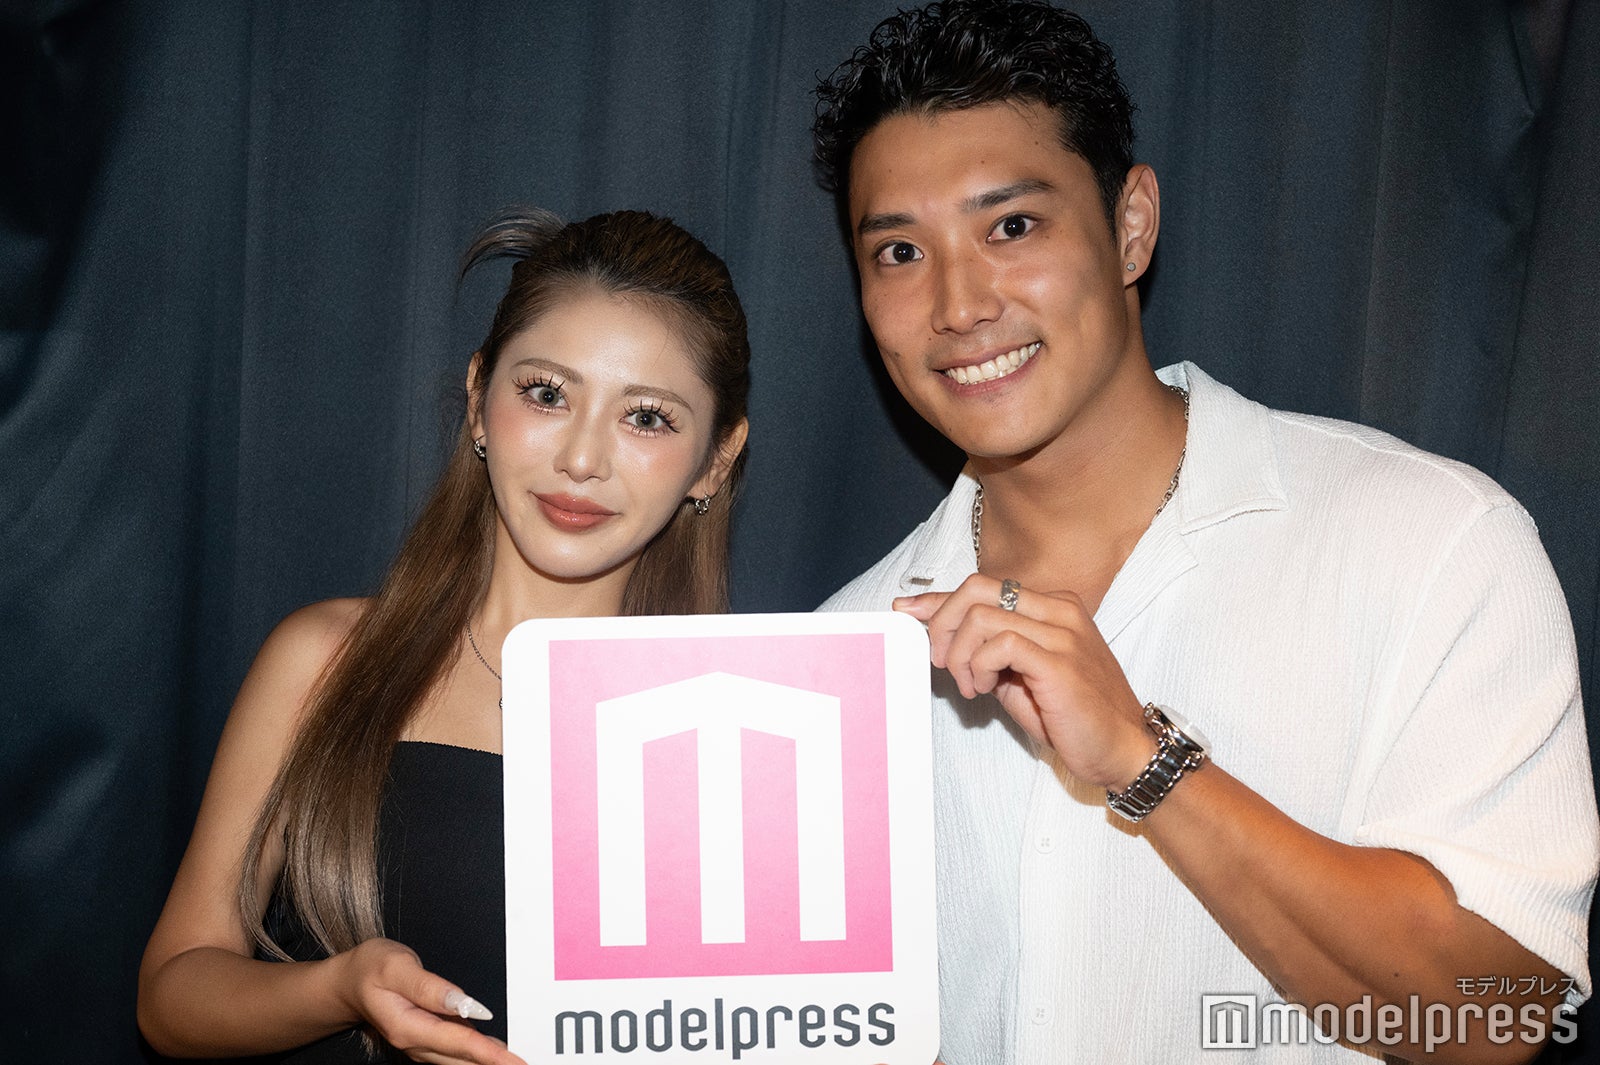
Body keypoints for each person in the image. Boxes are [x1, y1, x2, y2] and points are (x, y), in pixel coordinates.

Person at [813, 3, 1597, 1062]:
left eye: (1011, 227)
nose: (957, 305)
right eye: (901, 251)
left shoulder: (1430, 541)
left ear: (1130, 226)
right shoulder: (847, 655)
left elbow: (1497, 1019)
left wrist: (1144, 759)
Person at [137, 208, 751, 1064]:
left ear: (716, 458)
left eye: (646, 417)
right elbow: (172, 995)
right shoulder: (325, 660)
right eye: (547, 393)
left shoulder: (748, 728)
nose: (581, 459)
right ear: (478, 397)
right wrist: (339, 988)